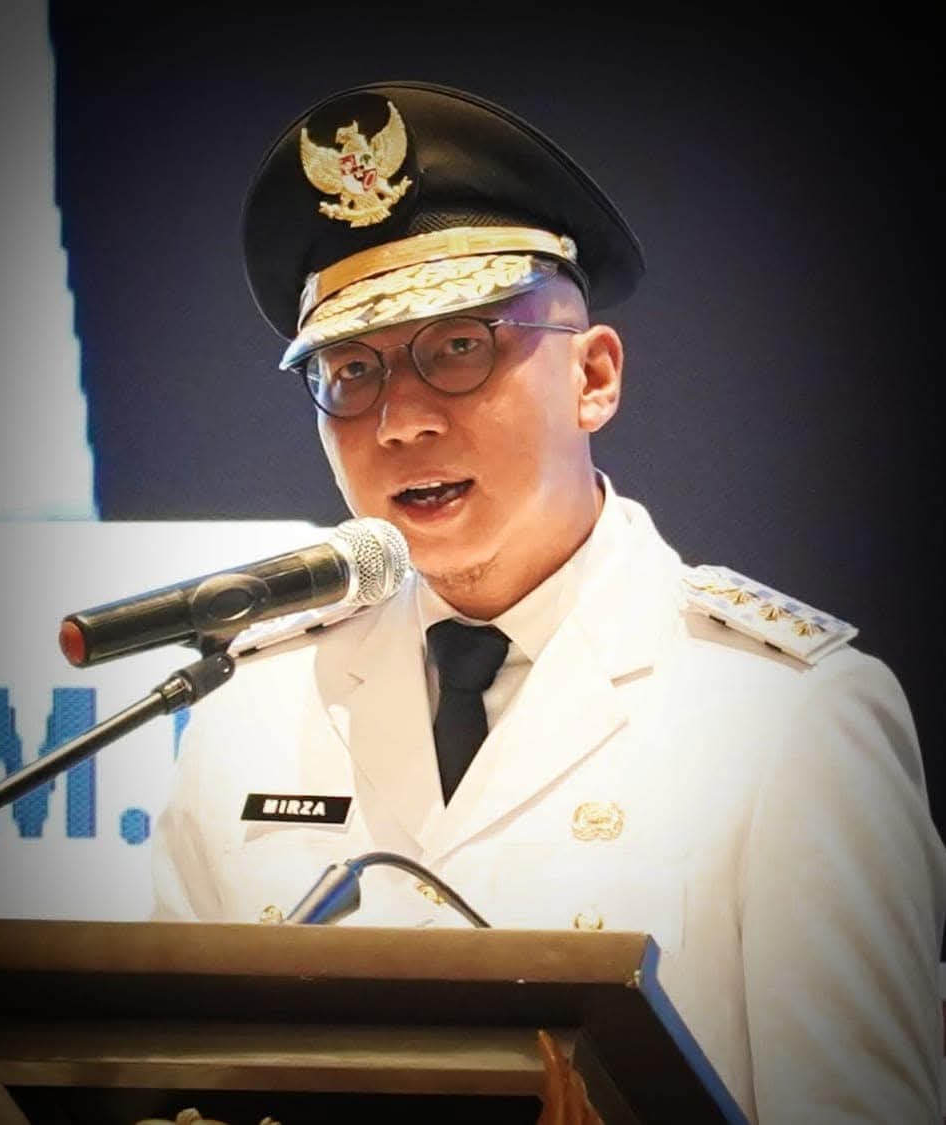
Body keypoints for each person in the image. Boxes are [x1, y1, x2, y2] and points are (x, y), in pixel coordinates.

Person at [151, 80, 946, 1122]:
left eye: (458, 347)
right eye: (350, 370)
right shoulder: (248, 707)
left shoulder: (786, 716)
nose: (398, 422)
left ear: (593, 376)